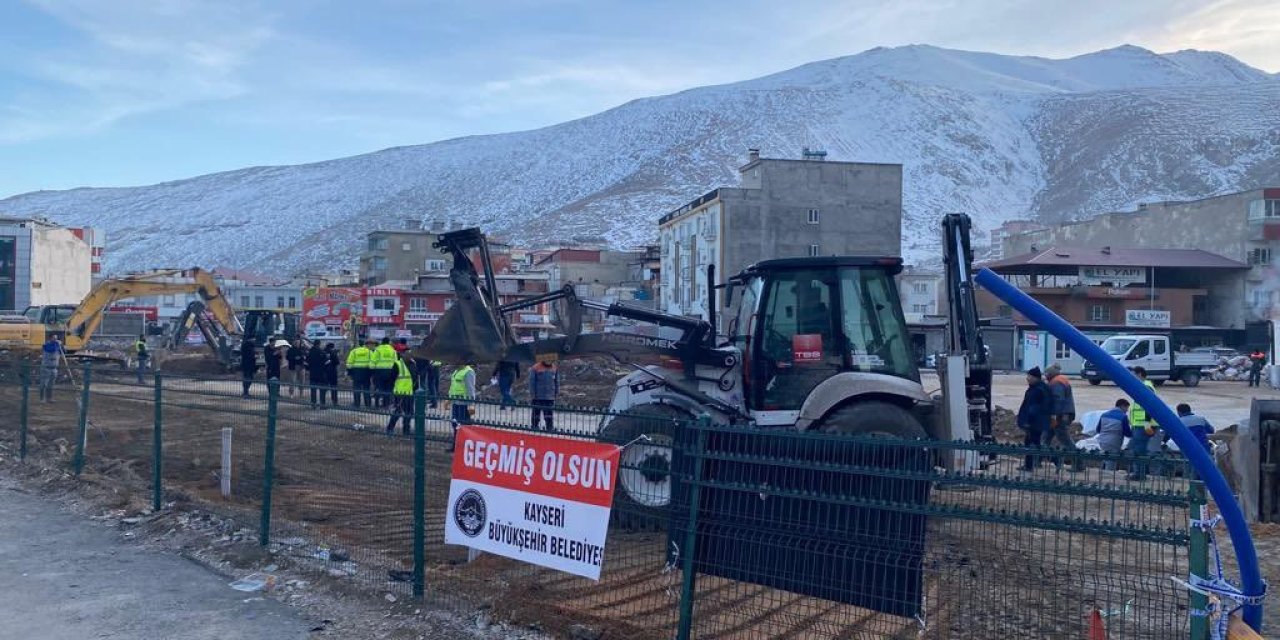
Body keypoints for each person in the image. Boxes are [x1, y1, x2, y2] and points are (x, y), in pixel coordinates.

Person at [1044, 364, 1080, 471]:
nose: (1045, 376)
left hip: (1059, 416)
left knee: (1065, 440)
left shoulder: (1056, 383)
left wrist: (1054, 416)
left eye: (1046, 373)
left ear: (1050, 374)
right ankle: (1037, 460)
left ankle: (1078, 463)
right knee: (1045, 438)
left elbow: (1057, 401)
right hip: (1061, 415)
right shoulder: (1060, 380)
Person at [1125, 366, 1158, 481]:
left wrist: (1147, 424)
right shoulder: (1142, 386)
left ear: (1139, 374)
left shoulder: (1146, 387)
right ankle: (1138, 473)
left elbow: (1149, 406)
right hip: (1140, 425)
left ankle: (1140, 474)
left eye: (1133, 375)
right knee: (1137, 448)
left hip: (1143, 425)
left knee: (1139, 449)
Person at [1016, 367, 1052, 472]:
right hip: (1038, 421)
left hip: (1034, 422)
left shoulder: (1037, 390)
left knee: (1031, 443)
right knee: (1035, 443)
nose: (1027, 378)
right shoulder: (1038, 387)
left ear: (1035, 378)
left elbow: (1032, 408)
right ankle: (1029, 465)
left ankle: (1054, 459)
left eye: (1029, 376)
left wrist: (1028, 422)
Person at [385, 351, 417, 436]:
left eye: (410, 354)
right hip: (400, 392)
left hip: (410, 392)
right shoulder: (397, 364)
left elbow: (415, 378)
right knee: (399, 411)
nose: (409, 356)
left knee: (409, 412)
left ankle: (406, 430)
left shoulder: (413, 364)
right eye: (407, 354)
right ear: (402, 355)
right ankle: (390, 428)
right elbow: (391, 378)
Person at [446, 363, 476, 452]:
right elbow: (453, 387)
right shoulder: (456, 371)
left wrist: (471, 404)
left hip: (463, 404)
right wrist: (449, 400)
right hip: (456, 402)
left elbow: (470, 389)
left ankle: (465, 447)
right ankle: (456, 446)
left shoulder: (468, 372)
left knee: (463, 425)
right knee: (455, 424)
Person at [1097, 399, 1132, 470]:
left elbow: (1098, 429)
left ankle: (1101, 476)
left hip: (1102, 441)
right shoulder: (1123, 417)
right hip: (1114, 442)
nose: (1127, 411)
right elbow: (1127, 433)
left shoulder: (1104, 414)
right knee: (1111, 462)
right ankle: (1108, 478)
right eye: (1126, 408)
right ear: (1122, 406)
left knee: (1104, 459)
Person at [529, 357, 559, 431]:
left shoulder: (554, 368)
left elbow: (557, 381)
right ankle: (534, 426)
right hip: (538, 396)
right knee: (536, 413)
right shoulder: (535, 368)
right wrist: (533, 394)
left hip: (549, 396)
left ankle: (549, 427)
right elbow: (532, 382)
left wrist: (556, 392)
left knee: (549, 414)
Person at [346, 338, 374, 408]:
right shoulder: (369, 352)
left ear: (358, 344)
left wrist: (349, 372)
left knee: (356, 388)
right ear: (364, 344)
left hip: (356, 372)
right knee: (366, 389)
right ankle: (368, 404)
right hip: (366, 372)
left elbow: (349, 363)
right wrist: (371, 372)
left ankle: (357, 404)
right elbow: (372, 362)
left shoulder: (354, 351)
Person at [371, 337, 398, 408]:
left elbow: (373, 361)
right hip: (390, 371)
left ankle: (377, 404)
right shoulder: (393, 350)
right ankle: (386, 404)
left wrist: (372, 369)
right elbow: (395, 361)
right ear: (389, 342)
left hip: (379, 371)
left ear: (382, 342)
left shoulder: (378, 350)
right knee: (388, 389)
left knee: (379, 387)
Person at [39, 335, 61, 402]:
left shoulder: (56, 345)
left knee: (51, 384)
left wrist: (61, 346)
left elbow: (63, 351)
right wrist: (57, 344)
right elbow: (51, 350)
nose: (55, 339)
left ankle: (49, 398)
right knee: (44, 383)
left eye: (56, 338)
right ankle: (42, 398)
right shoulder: (46, 345)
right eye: (54, 338)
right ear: (50, 338)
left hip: (54, 368)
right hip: (46, 367)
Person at [306, 342, 329, 408]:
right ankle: (322, 405)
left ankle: (313, 404)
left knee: (313, 389)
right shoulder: (322, 352)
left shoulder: (310, 353)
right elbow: (327, 362)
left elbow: (306, 363)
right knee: (322, 389)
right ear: (319, 344)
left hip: (313, 373)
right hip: (321, 373)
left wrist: (309, 369)